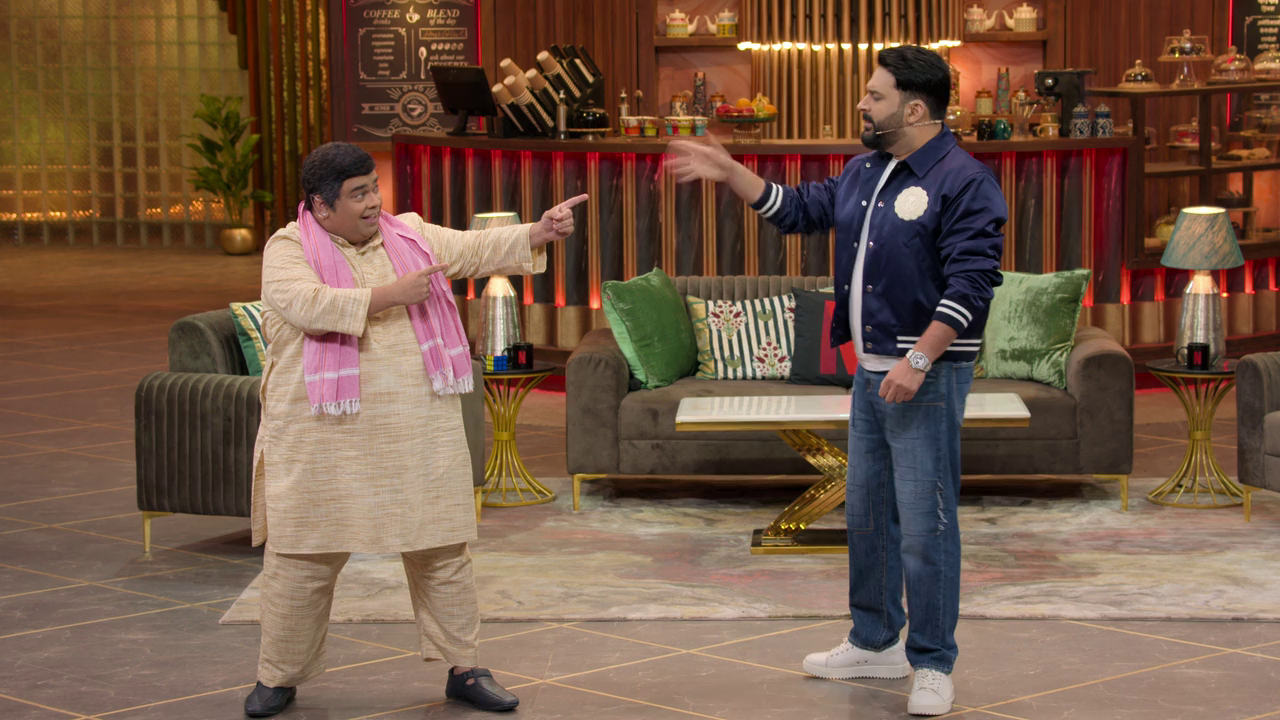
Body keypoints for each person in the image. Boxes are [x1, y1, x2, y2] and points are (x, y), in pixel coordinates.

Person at [667, 45, 1006, 716]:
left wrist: (918, 361)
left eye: (875, 96)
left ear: (916, 109)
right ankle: (875, 642)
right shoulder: (864, 171)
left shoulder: (964, 181)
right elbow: (797, 209)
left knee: (926, 527)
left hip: (925, 378)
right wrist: (731, 172)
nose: (861, 104)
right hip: (871, 378)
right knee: (868, 515)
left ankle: (932, 663)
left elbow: (973, 283)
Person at [243, 141, 587, 717]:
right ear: (321, 206)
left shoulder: (408, 234)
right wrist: (390, 297)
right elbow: (306, 305)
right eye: (358, 194)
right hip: (321, 435)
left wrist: (539, 231)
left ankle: (464, 667)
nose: (373, 202)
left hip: (416, 426)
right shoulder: (288, 247)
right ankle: (277, 675)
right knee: (302, 557)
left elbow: (472, 246)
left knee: (441, 548)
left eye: (373, 188)